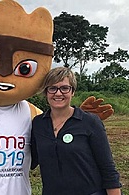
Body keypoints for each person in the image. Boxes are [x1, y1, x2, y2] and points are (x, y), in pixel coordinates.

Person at [31, 67, 122, 195]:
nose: (58, 93)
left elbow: (108, 168)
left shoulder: (89, 122)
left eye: (64, 88)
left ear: (72, 91)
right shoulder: (38, 123)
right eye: (52, 88)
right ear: (46, 92)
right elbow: (30, 160)